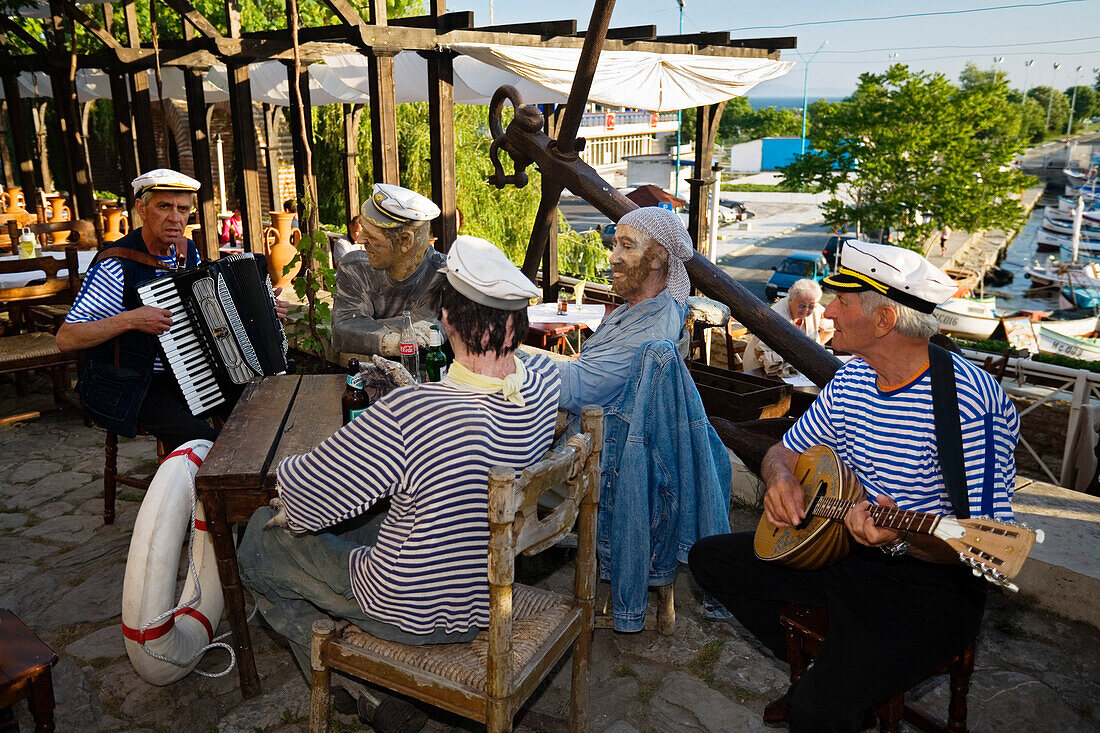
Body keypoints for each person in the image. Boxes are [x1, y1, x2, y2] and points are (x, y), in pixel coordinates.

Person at [689, 241, 1019, 732]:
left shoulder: (971, 401)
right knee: (709, 560)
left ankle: (831, 679)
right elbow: (786, 450)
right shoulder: (854, 379)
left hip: (929, 587)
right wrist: (780, 478)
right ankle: (835, 663)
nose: (827, 310)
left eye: (842, 301)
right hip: (845, 551)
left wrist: (903, 536)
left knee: (816, 714)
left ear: (884, 320)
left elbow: (983, 540)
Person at [238, 235, 558, 727]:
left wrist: (289, 473)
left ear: (446, 319)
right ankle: (366, 685)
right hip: (488, 582)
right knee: (371, 516)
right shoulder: (542, 383)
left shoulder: (414, 413)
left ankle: (358, 685)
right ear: (515, 322)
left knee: (260, 538)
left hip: (417, 605)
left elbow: (310, 492)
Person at [55, 169, 288, 452]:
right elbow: (66, 338)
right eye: (164, 207)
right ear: (141, 208)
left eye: (183, 208)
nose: (175, 218)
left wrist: (261, 310)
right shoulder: (115, 265)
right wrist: (130, 320)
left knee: (262, 411)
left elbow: (203, 312)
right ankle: (212, 483)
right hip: (135, 384)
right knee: (211, 444)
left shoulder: (187, 251)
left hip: (192, 369)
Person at [556, 206, 692, 419]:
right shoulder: (639, 307)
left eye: (627, 246)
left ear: (658, 257)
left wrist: (512, 363)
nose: (612, 258)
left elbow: (576, 390)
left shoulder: (647, 336)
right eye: (615, 246)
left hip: (600, 441)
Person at [332, 183, 448, 358]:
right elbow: (343, 330)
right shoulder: (355, 268)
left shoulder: (446, 274)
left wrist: (368, 327)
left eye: (371, 236)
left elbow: (427, 334)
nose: (360, 240)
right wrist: (393, 339)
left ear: (405, 241)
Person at [742, 278, 833, 373]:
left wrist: (815, 346)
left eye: (811, 306)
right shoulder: (776, 316)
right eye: (802, 305)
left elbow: (830, 329)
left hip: (795, 367)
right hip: (759, 368)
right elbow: (761, 352)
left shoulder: (816, 308)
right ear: (790, 300)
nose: (806, 310)